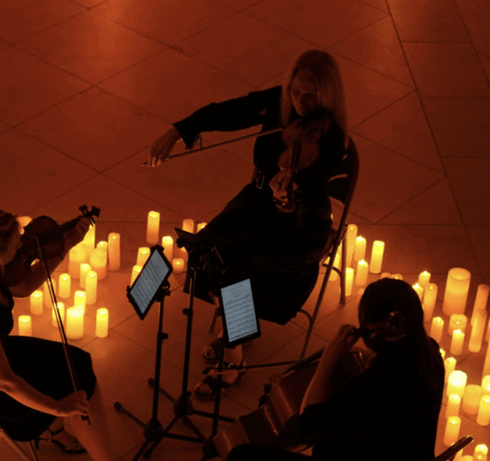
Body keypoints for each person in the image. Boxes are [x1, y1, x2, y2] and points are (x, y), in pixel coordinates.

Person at [192, 278, 444, 461]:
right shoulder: (430, 355)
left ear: (375, 331)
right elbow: (389, 394)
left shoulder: (371, 388)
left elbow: (306, 422)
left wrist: (328, 360)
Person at [148, 50, 349, 397]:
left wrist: (289, 194)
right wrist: (179, 130)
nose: (301, 101)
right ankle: (235, 329)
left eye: (311, 95)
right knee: (206, 250)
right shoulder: (279, 102)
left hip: (300, 225)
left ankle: (234, 356)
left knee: (233, 266)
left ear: (327, 95)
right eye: (296, 91)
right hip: (256, 200)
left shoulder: (329, 138)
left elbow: (312, 189)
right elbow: (228, 111)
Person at [0, 206, 150, 461]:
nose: (23, 245)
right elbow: (5, 382)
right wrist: (57, 407)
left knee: (78, 363)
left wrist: (64, 248)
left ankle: (56, 433)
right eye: (17, 244)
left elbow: (23, 285)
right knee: (77, 382)